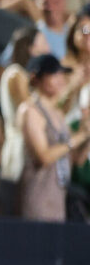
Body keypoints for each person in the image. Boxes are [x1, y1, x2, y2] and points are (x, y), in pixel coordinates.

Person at [19, 53, 90, 222]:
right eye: (54, 74)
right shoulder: (30, 111)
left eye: (61, 74)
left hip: (58, 199)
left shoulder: (58, 114)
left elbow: (76, 159)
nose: (60, 79)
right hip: (38, 195)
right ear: (36, 77)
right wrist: (78, 138)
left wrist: (87, 133)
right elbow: (43, 156)